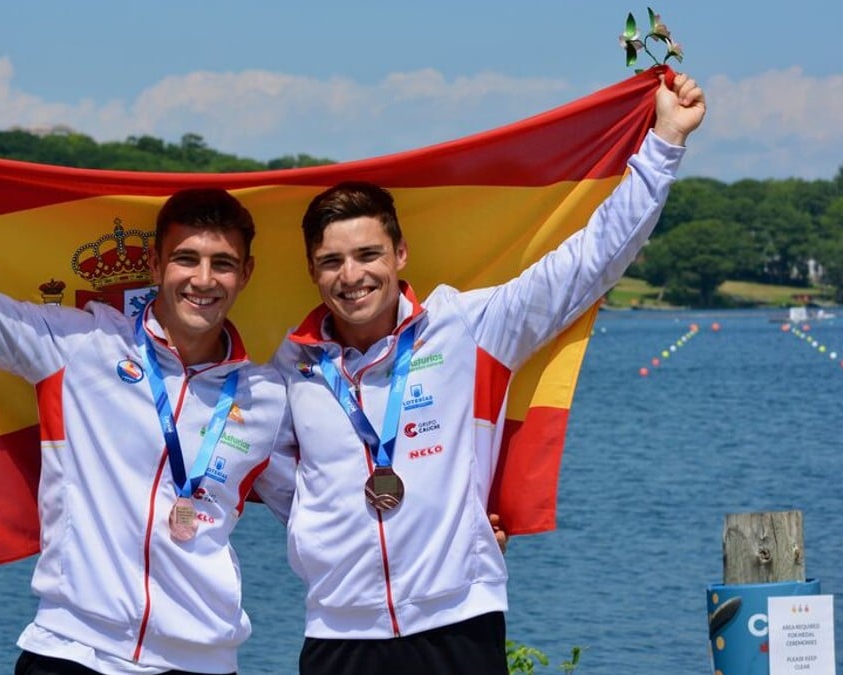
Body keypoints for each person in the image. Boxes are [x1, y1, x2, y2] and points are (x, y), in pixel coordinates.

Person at [0, 79, 296, 675]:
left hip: (203, 661)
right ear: (155, 266)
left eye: (222, 264)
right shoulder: (78, 344)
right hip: (71, 652)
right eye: (186, 259)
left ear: (245, 274)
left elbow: (323, 508)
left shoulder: (267, 396)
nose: (203, 279)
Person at [272, 72, 706, 674]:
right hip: (339, 632)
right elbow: (269, 475)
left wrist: (664, 142)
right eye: (332, 261)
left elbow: (590, 261)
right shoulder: (291, 368)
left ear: (399, 256)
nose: (352, 275)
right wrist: (320, 528)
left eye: (368, 254)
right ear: (313, 271)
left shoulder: (469, 325)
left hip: (459, 623)